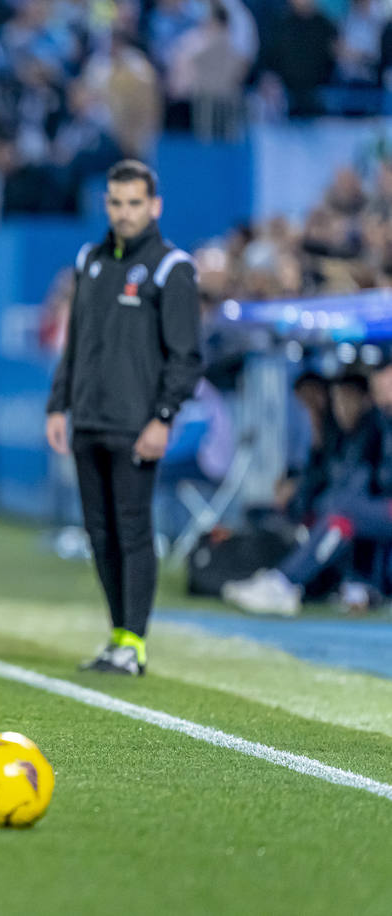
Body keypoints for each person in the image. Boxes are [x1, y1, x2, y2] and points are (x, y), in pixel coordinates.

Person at [45, 159, 202, 676]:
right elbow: (75, 341)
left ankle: (134, 642)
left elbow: (185, 356)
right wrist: (57, 404)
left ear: (155, 206)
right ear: (106, 204)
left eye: (135, 203)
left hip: (136, 425)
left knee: (133, 530)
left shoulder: (171, 267)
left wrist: (163, 418)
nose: (125, 212)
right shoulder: (90, 259)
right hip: (88, 418)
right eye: (116, 202)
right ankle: (117, 635)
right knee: (99, 533)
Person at [223, 366, 387, 616]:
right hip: (362, 507)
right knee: (337, 518)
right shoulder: (342, 434)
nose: (341, 407)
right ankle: (291, 581)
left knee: (341, 511)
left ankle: (285, 583)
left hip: (376, 506)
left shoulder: (374, 428)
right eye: (338, 400)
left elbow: (365, 480)